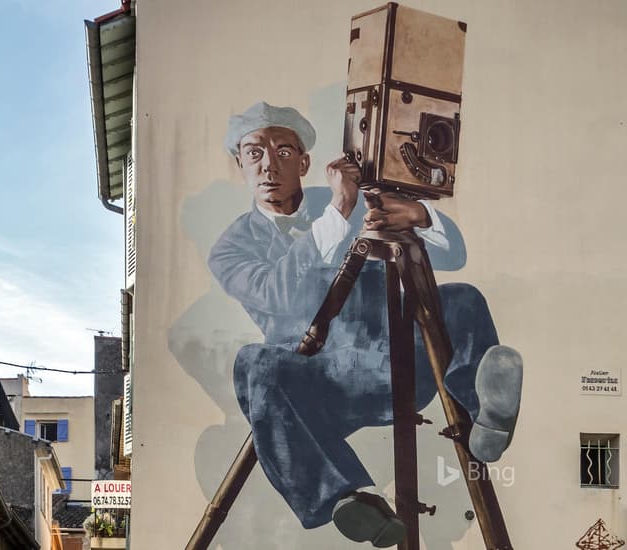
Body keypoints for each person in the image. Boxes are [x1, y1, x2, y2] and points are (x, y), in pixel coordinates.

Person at [208, 102, 523, 547]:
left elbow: (453, 255)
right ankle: (347, 500)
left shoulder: (352, 199)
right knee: (254, 364)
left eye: (282, 152)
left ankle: (485, 421)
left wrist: (420, 216)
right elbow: (278, 295)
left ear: (304, 163)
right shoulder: (230, 248)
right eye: (254, 153)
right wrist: (338, 212)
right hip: (322, 387)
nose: (267, 165)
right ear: (239, 163)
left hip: (397, 361)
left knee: (462, 299)